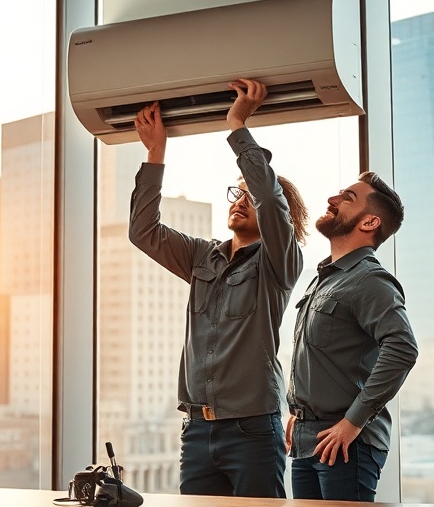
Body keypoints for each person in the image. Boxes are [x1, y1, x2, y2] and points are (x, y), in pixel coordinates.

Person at [128, 78, 308, 497]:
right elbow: (143, 232)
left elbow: (270, 198)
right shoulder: (200, 256)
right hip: (196, 431)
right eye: (236, 193)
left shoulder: (278, 263)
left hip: (251, 431)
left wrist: (237, 125)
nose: (239, 200)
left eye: (249, 195)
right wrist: (155, 153)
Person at [285, 171, 418, 501]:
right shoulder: (324, 278)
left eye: (346, 198)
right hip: (307, 441)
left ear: (370, 222)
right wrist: (298, 414)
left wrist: (353, 422)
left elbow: (402, 348)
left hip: (345, 445)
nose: (332, 200)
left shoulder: (370, 279)